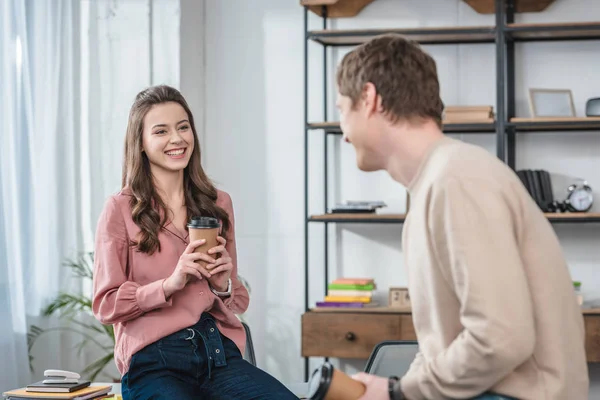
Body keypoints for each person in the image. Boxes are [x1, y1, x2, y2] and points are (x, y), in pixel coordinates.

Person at [335, 34, 589, 400]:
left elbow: (500, 338)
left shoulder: (456, 179)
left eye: (342, 110)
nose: (343, 134)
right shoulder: (437, 183)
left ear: (369, 99)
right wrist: (396, 390)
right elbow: (447, 343)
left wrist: (399, 392)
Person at [92, 85, 297, 399]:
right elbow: (105, 304)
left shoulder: (217, 203)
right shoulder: (120, 209)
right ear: (142, 144)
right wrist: (169, 284)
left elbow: (237, 302)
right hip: (154, 361)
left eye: (183, 127)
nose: (177, 139)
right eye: (161, 131)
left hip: (217, 353)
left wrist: (223, 282)